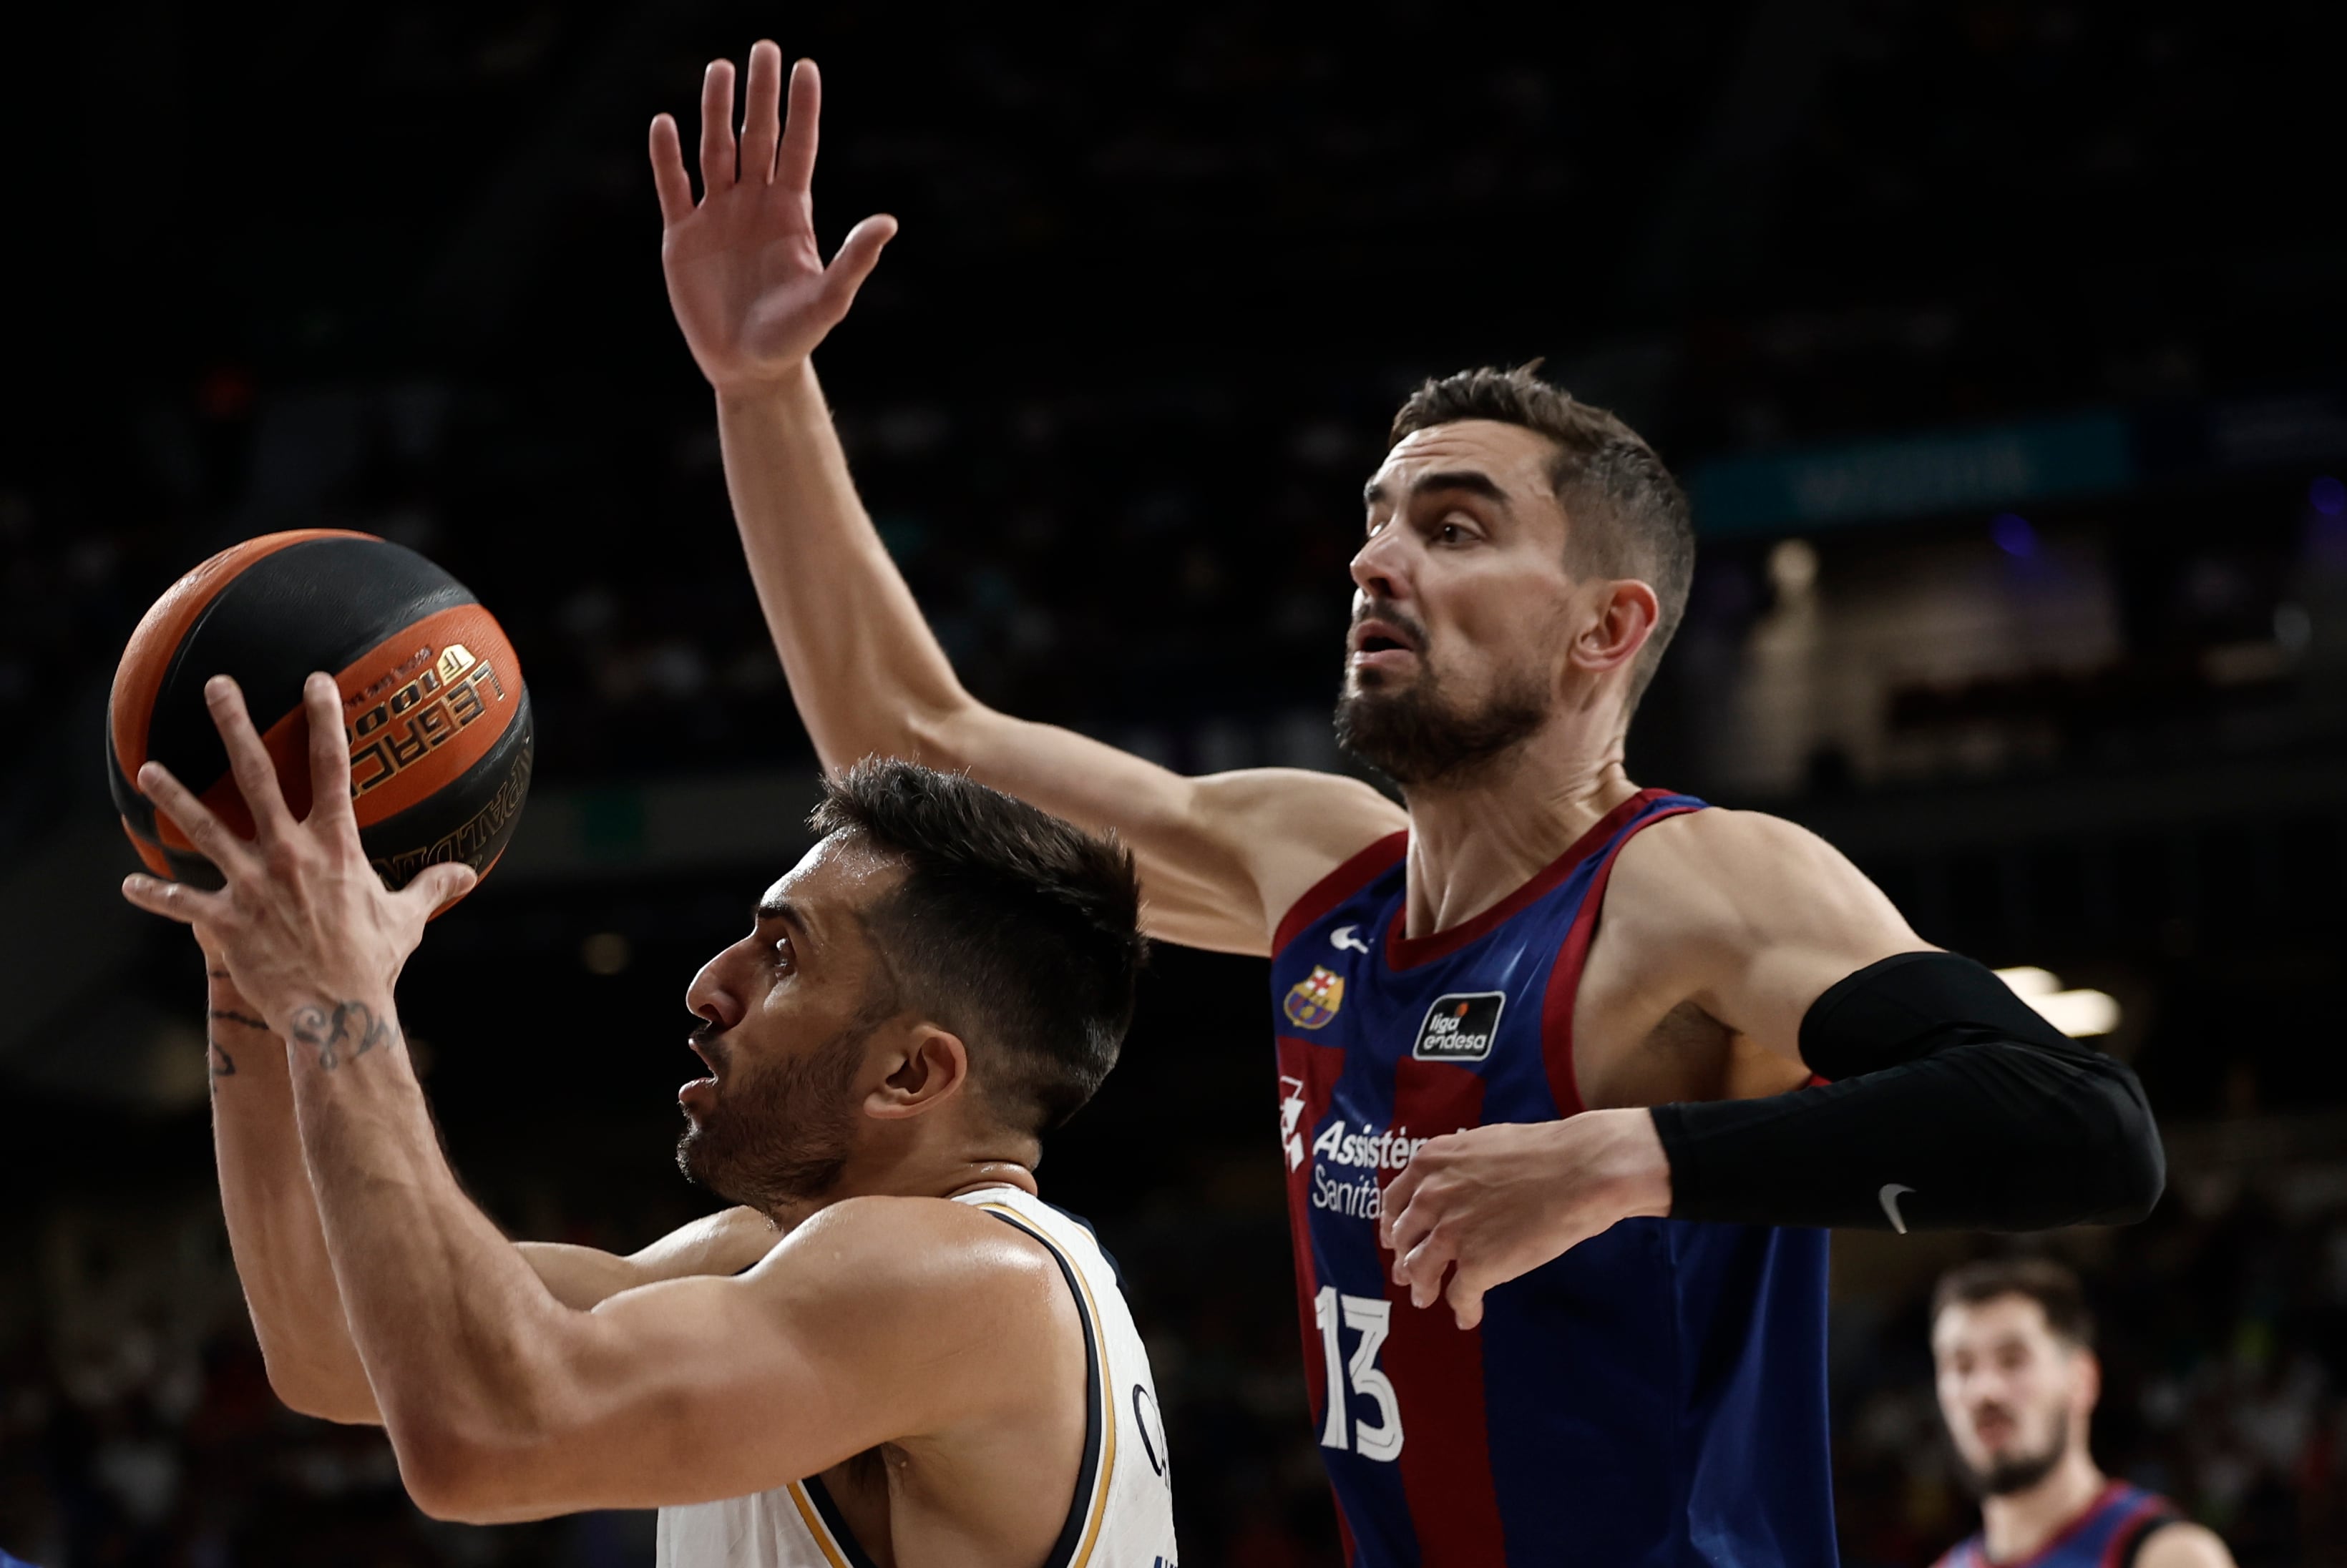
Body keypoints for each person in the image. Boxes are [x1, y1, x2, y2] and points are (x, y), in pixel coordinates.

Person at [651, 42, 2167, 1564]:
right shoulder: (1319, 869)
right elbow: (912, 736)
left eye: (1452, 527)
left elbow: (2084, 1130)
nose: (1378, 562)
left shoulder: (1696, 889)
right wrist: (761, 388)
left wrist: (1630, 1157)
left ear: (1606, 628)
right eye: (1375, 525)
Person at [119, 673, 1179, 1568]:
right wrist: (250, 966)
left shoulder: (968, 1283)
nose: (709, 987)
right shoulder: (782, 1263)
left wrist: (340, 998)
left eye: (782, 956)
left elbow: (486, 1435)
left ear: (911, 1072)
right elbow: (326, 1345)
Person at [1931, 1258, 2233, 1567]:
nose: (1985, 1391)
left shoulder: (2170, 1557)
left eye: (2012, 1360)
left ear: (2082, 1380)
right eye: (1962, 1366)